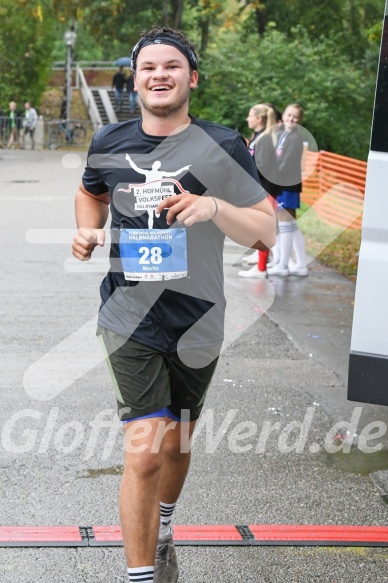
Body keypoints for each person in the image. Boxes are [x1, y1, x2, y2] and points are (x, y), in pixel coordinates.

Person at [72, 25, 276, 583]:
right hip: (127, 317)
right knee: (144, 451)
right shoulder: (110, 143)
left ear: (191, 77)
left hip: (199, 322)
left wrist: (213, 209)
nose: (159, 74)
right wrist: (87, 231)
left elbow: (266, 233)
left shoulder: (223, 145)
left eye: (171, 66)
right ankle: (140, 575)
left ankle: (163, 524)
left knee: (179, 440)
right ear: (135, 80)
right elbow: (91, 192)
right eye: (148, 67)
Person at [238, 103, 281, 278]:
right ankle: (261, 264)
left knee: (263, 228)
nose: (247, 119)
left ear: (259, 119)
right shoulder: (258, 136)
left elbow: (264, 166)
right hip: (261, 189)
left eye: (250, 115)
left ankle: (262, 269)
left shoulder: (265, 138)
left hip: (266, 189)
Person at [267, 103, 308, 277]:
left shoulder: (295, 138)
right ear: (283, 115)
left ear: (299, 120)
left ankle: (284, 265)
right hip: (282, 183)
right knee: (290, 225)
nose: (291, 119)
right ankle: (299, 264)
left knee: (285, 224)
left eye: (295, 117)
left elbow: (285, 163)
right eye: (289, 115)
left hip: (287, 184)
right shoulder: (283, 134)